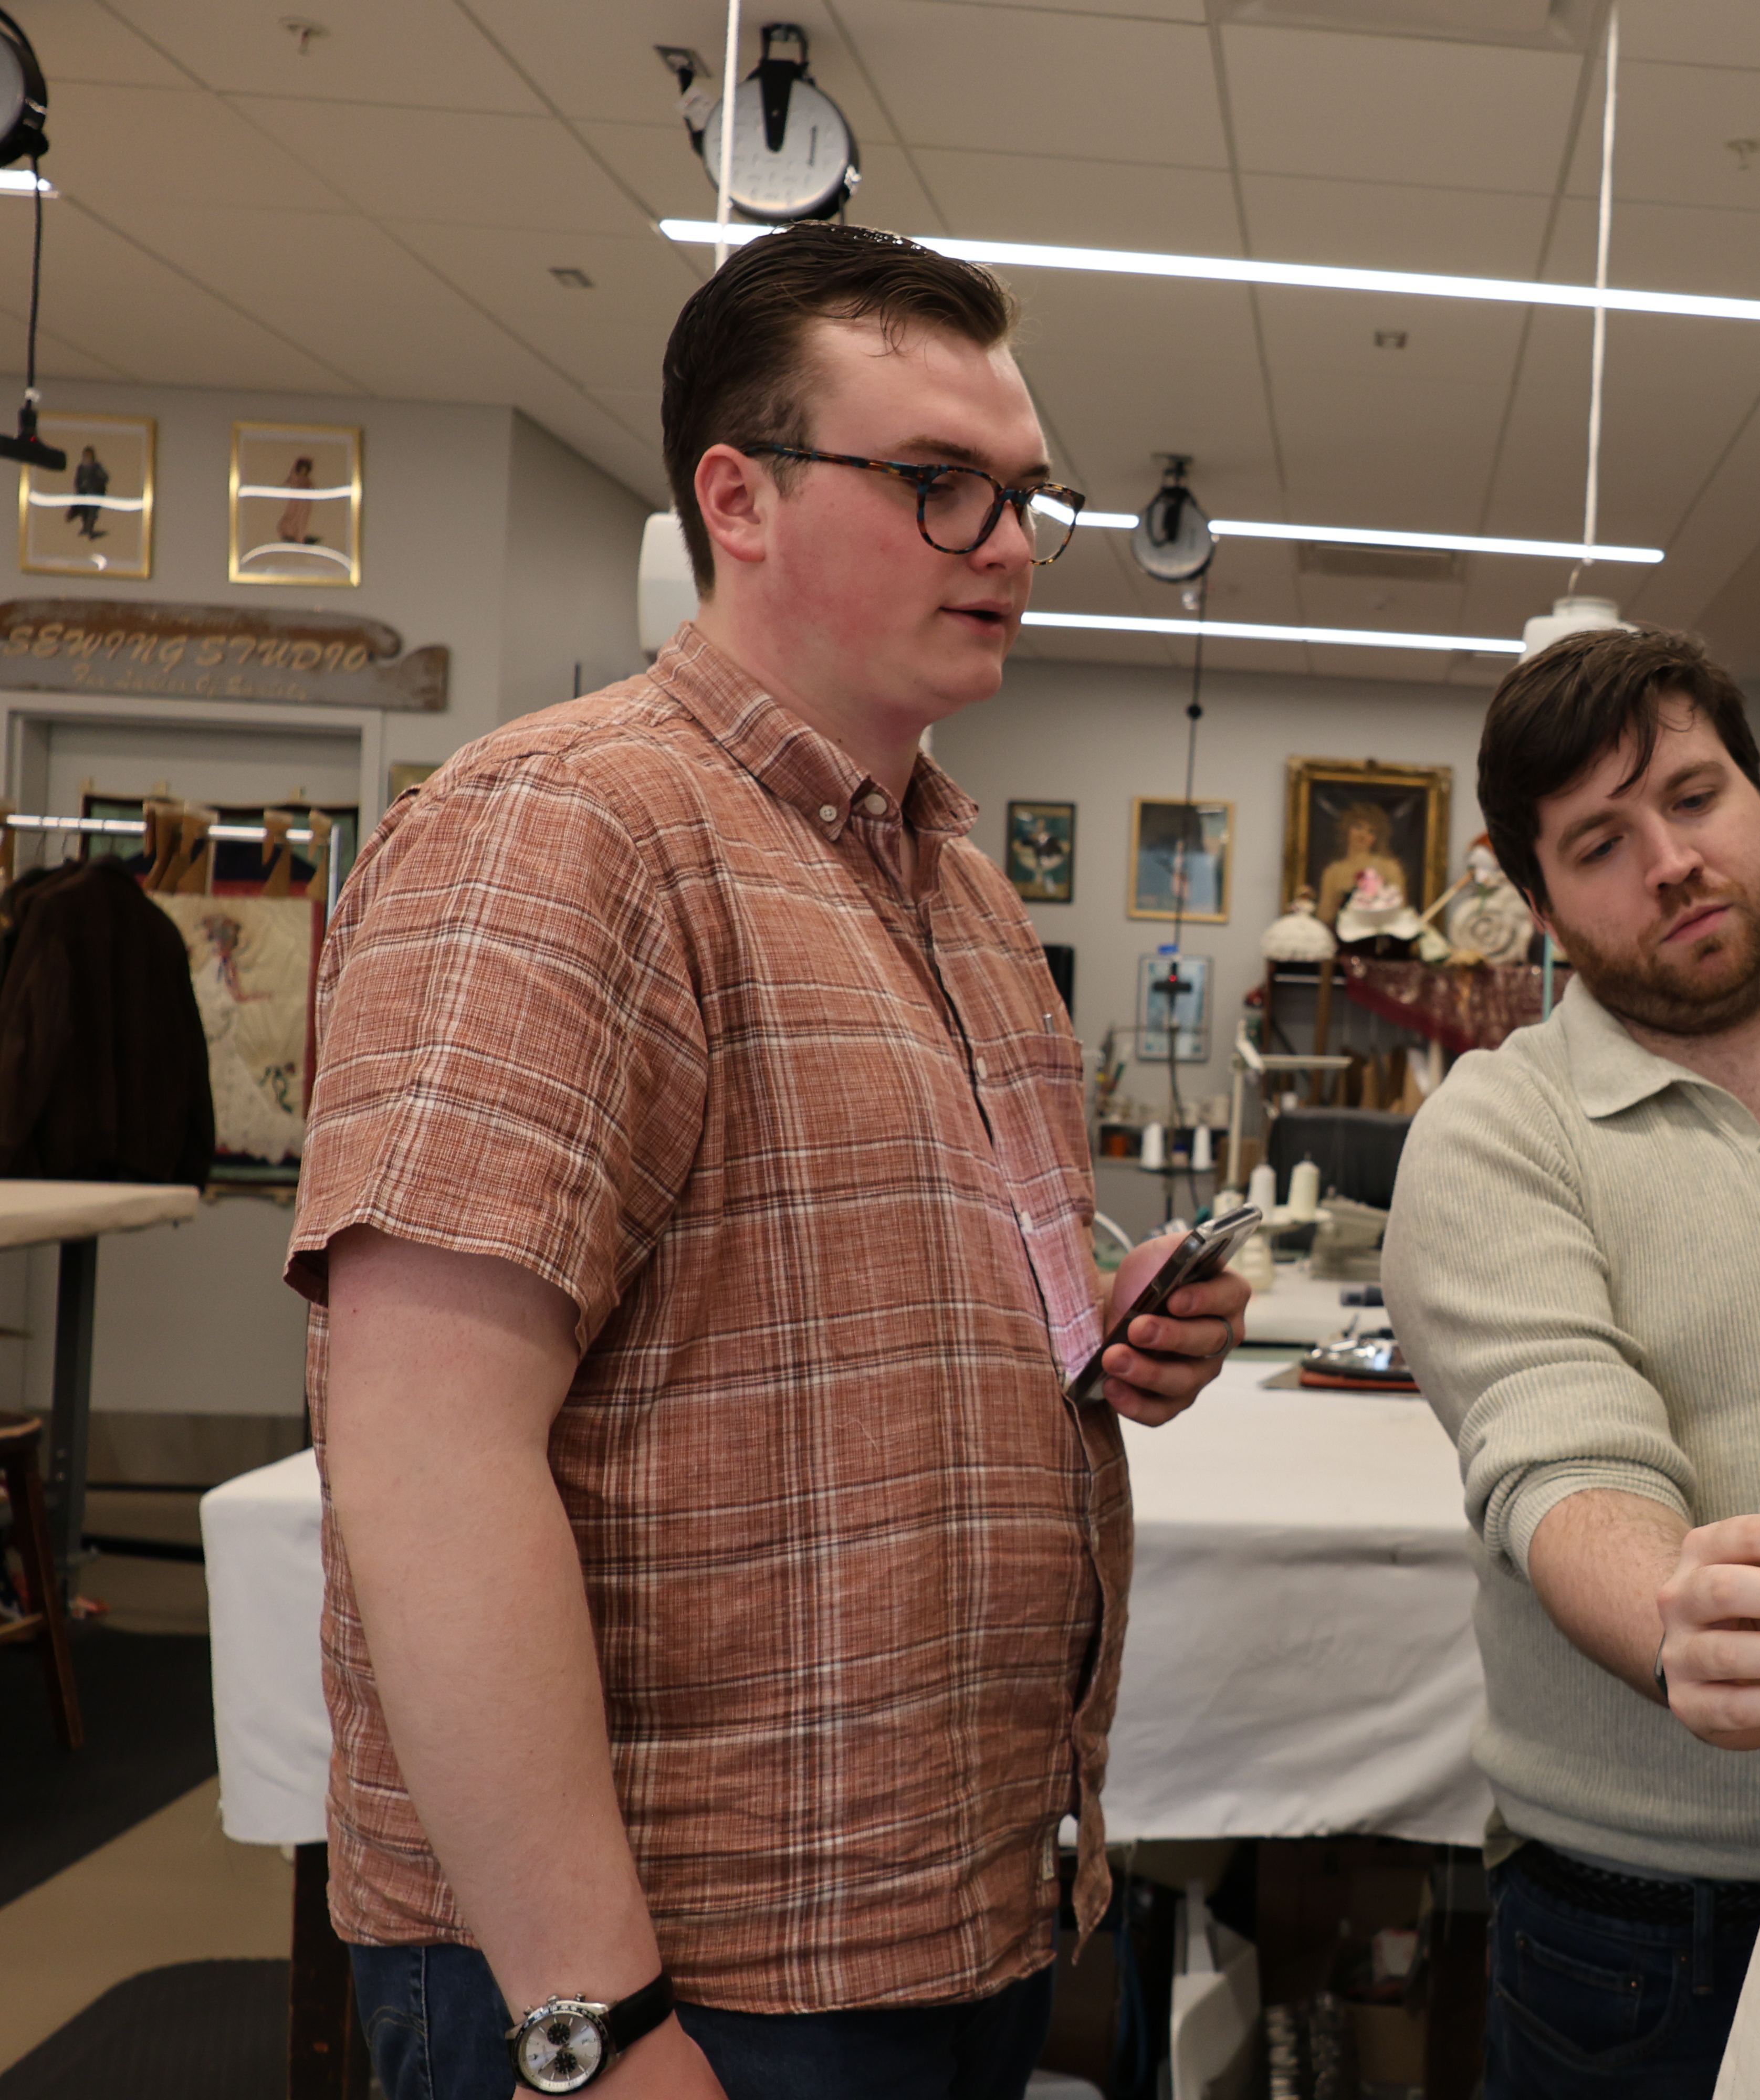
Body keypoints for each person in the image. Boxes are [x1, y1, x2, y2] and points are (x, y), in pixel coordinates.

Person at [292, 222, 1248, 2100]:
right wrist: (594, 2021)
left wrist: (1106, 1331)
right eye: (935, 483)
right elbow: (422, 1455)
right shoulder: (565, 825)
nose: (999, 541)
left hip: (940, 1909)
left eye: (1021, 497)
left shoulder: (959, 897)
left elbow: (833, 1298)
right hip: (682, 1971)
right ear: (735, 494)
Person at [1383, 625, 1760, 2099]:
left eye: (1698, 798)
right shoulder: (1496, 1130)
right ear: (1534, 898)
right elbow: (1557, 1450)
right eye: (1600, 841)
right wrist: (1678, 1623)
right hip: (1649, 1929)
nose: (1672, 861)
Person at [1314, 799, 1409, 923]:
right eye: (1358, 827)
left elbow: (1401, 911)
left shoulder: (1390, 868)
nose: (1363, 835)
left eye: (1371, 831)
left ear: (1377, 838)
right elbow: (1324, 916)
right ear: (1347, 829)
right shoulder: (1333, 872)